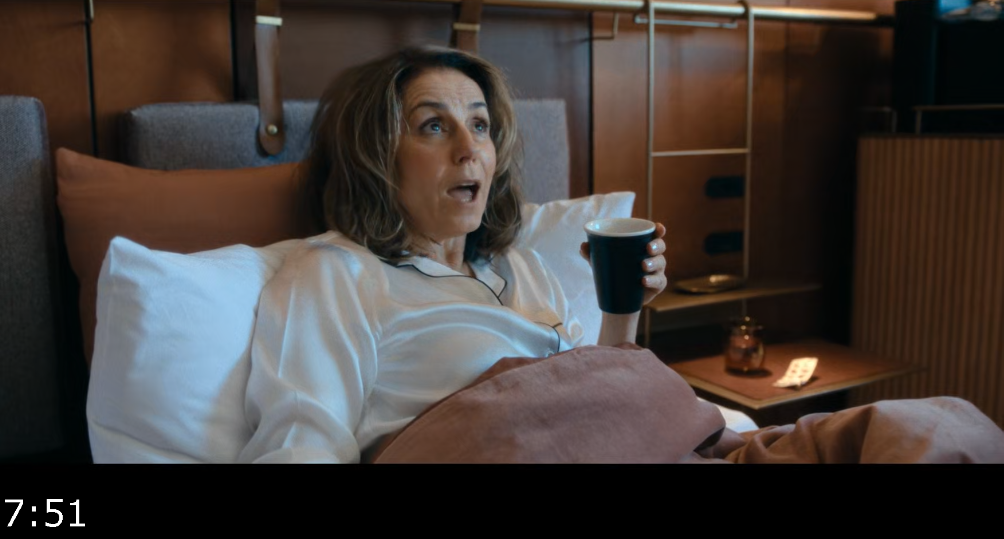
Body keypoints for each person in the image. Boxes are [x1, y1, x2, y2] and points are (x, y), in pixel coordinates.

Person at [239, 45, 1004, 464]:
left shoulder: (519, 267)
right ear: (376, 153)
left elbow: (602, 393)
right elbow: (303, 440)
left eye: (481, 124)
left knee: (946, 429)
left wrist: (623, 312)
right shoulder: (334, 273)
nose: (471, 148)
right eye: (433, 126)